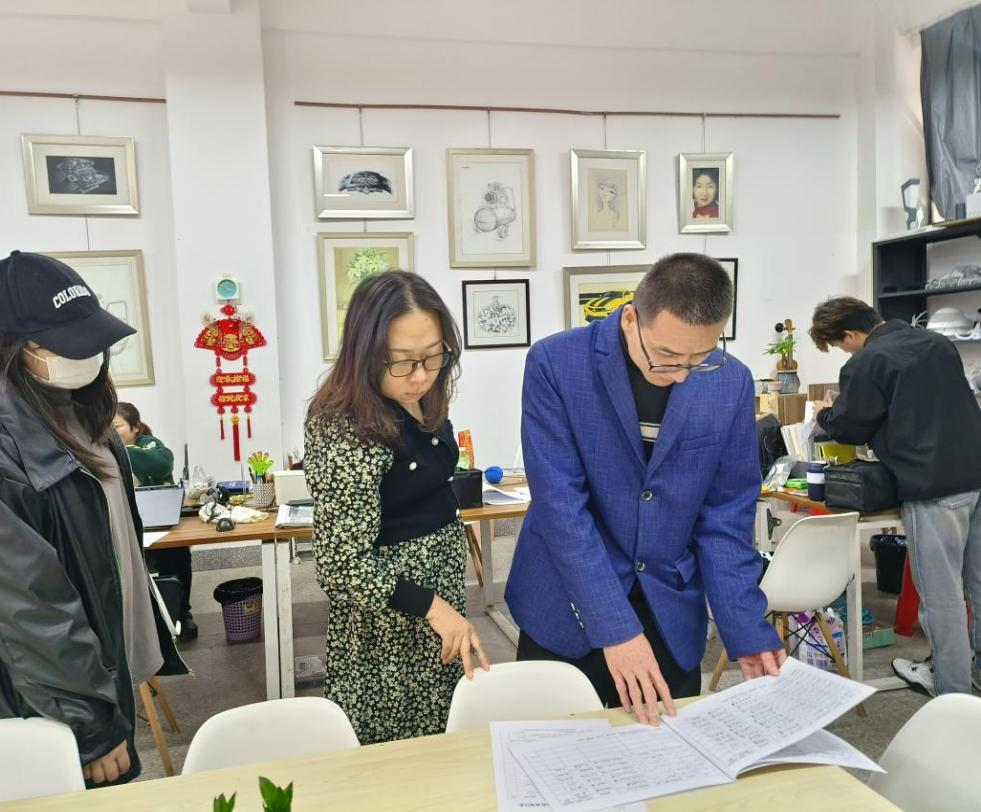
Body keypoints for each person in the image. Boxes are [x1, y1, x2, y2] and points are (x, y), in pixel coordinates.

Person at [506, 253, 784, 726]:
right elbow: (562, 509)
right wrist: (615, 628)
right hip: (567, 604)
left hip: (668, 605)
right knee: (555, 750)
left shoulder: (730, 382)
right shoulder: (557, 363)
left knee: (668, 754)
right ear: (631, 318)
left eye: (699, 358)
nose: (681, 374)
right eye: (667, 356)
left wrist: (745, 626)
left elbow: (725, 518)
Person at [0, 251, 180, 787]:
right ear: (14, 347)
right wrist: (89, 723)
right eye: (66, 343)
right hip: (49, 703)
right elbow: (25, 609)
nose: (88, 354)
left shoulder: (80, 411)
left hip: (98, 668)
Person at [304, 270, 489, 745]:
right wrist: (431, 607)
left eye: (434, 356)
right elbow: (341, 564)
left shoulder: (424, 396)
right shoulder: (341, 425)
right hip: (388, 623)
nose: (422, 376)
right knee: (394, 749)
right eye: (403, 362)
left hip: (438, 598)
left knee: (445, 734)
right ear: (365, 353)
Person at [809, 296, 981, 696]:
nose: (846, 353)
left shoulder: (867, 361)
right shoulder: (937, 342)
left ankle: (951, 692)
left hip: (933, 485)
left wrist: (824, 413)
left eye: (840, 346)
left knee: (941, 597)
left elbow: (849, 427)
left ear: (849, 334)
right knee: (978, 583)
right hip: (975, 469)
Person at [113, 402, 197, 641]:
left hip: (159, 523)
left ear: (135, 427)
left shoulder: (149, 445)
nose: (110, 433)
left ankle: (182, 613)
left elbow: (162, 464)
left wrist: (118, 450)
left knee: (177, 554)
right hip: (124, 523)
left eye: (116, 427)